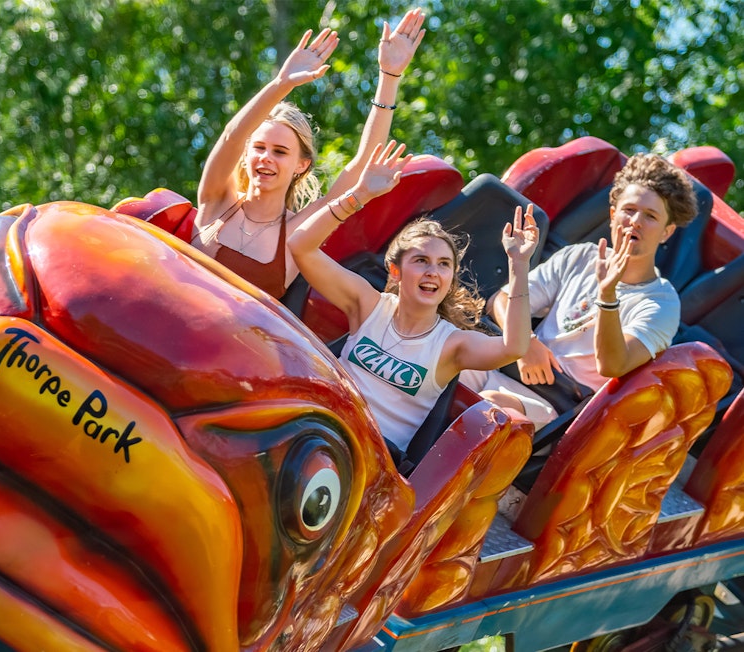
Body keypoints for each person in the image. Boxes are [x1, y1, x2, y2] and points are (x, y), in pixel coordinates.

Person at [287, 140, 540, 455]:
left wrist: (518, 263)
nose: (433, 271)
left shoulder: (451, 345)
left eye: (443, 265)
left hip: (371, 457)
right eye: (421, 261)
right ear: (395, 271)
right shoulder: (368, 306)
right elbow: (300, 246)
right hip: (316, 424)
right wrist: (360, 194)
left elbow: (514, 347)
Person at [193, 9, 426, 299]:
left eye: (280, 152)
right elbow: (231, 136)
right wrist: (282, 84)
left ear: (301, 165)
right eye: (259, 147)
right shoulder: (216, 200)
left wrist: (390, 77)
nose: (266, 157)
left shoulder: (298, 229)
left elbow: (362, 165)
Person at [478, 153, 699, 425]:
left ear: (667, 232)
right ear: (613, 214)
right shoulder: (580, 257)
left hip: (559, 408)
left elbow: (613, 365)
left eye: (651, 216)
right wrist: (526, 341)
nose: (636, 221)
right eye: (629, 210)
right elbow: (499, 301)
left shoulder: (661, 302)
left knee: (489, 406)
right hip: (513, 366)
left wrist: (608, 297)